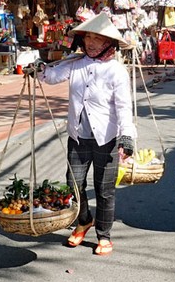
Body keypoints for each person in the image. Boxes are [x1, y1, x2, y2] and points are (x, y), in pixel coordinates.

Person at [39, 13, 135, 256]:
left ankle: (104, 235)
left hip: (107, 139)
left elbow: (124, 107)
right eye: (88, 37)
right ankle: (84, 221)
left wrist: (127, 136)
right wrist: (37, 69)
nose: (90, 43)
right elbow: (51, 76)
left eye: (97, 38)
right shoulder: (75, 63)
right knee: (73, 184)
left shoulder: (117, 71)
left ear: (108, 42)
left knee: (104, 190)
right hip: (78, 137)